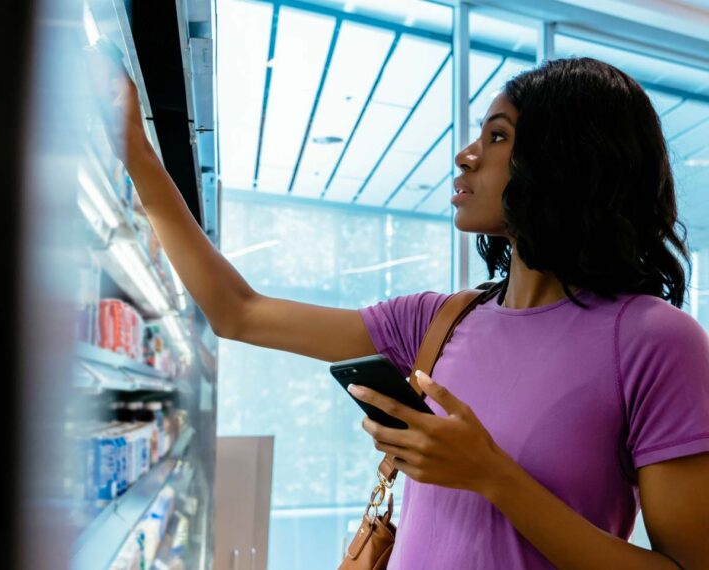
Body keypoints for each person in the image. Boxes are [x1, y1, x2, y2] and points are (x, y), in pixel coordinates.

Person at [108, 56, 709, 569]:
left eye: (497, 137)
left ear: (567, 160)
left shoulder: (654, 340)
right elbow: (239, 312)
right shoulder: (439, 321)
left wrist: (491, 475)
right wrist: (137, 153)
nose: (466, 156)